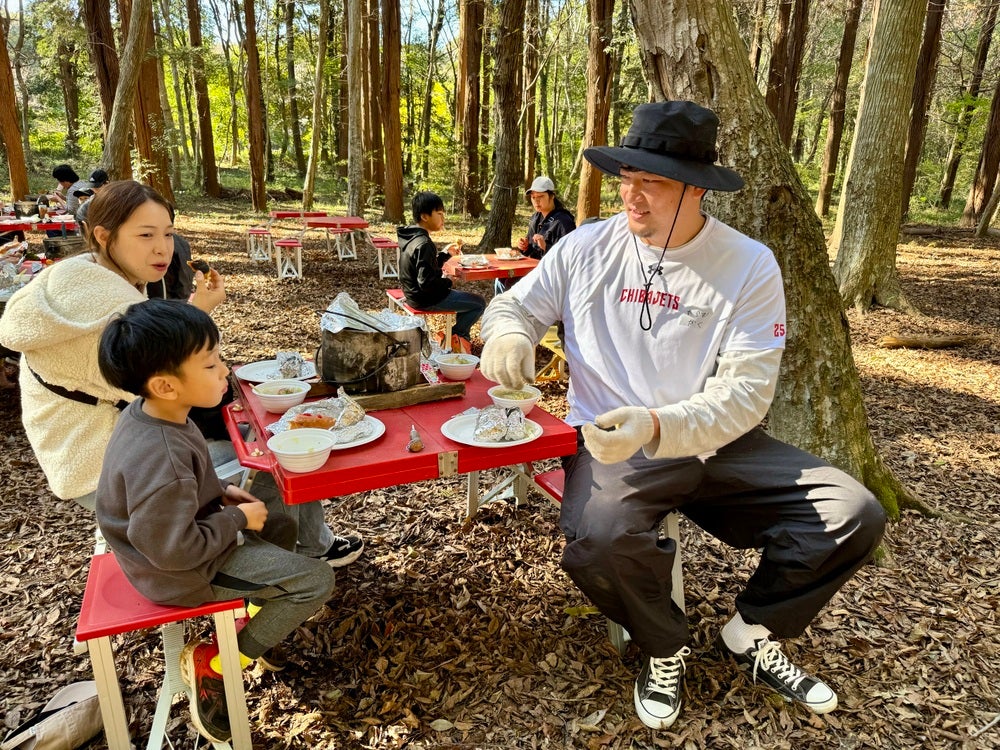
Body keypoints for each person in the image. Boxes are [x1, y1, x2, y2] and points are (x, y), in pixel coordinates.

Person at [479, 100, 886, 730]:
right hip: (617, 444)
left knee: (853, 511)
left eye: (654, 182)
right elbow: (515, 308)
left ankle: (753, 630)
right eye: (627, 179)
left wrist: (662, 424)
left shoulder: (748, 265)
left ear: (697, 186)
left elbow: (748, 394)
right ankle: (665, 645)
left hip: (720, 441)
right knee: (597, 542)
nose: (632, 197)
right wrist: (507, 336)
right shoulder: (586, 247)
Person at [96, 299, 336, 744]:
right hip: (183, 571)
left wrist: (220, 494)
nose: (225, 370)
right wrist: (234, 519)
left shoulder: (153, 414)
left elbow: (181, 486)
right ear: (167, 385)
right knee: (316, 579)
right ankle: (223, 659)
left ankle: (258, 612)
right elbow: (173, 549)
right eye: (211, 364)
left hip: (184, 538)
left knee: (276, 503)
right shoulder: (161, 457)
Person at [0, 180, 225, 510]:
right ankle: (301, 550)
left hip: (81, 452)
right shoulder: (108, 306)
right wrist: (200, 313)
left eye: (168, 233)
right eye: (146, 235)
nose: (164, 248)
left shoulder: (83, 270)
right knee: (271, 457)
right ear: (104, 236)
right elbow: (170, 390)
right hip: (107, 468)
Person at [397, 191, 485, 353]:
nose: (443, 219)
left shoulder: (411, 237)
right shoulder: (424, 243)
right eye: (439, 214)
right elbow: (427, 283)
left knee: (471, 301)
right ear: (425, 216)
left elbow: (423, 269)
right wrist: (449, 281)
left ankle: (455, 336)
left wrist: (444, 255)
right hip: (425, 299)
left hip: (413, 295)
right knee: (478, 303)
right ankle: (456, 336)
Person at [518, 176, 576, 260]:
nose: (536, 201)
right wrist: (525, 247)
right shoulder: (535, 217)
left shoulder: (563, 221)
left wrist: (546, 246)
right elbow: (531, 250)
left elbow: (570, 254)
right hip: (534, 268)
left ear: (552, 196)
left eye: (540, 196)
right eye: (533, 197)